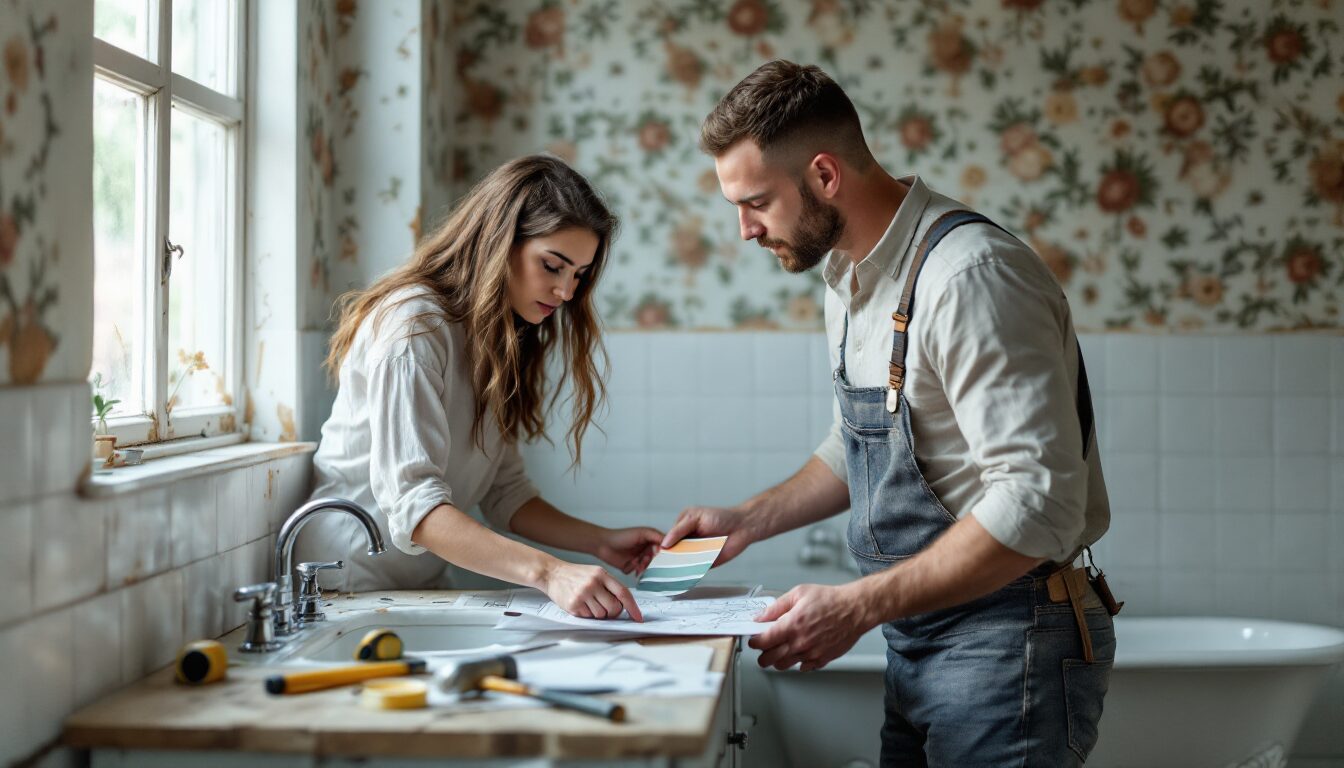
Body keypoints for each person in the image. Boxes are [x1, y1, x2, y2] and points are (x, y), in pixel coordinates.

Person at [664, 61, 1117, 765]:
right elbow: (863, 443)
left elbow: (1041, 504)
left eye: (755, 202)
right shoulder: (847, 277)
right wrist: (748, 521)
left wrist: (857, 606)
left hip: (1010, 640)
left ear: (824, 175)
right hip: (920, 637)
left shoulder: (969, 277)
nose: (745, 231)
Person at [299, 154, 660, 621]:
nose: (566, 292)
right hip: (344, 582)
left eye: (578, 275)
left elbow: (504, 493)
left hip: (416, 583)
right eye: (552, 266)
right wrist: (551, 573)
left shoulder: (495, 334)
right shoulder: (412, 328)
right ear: (499, 242)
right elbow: (416, 508)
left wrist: (599, 541)